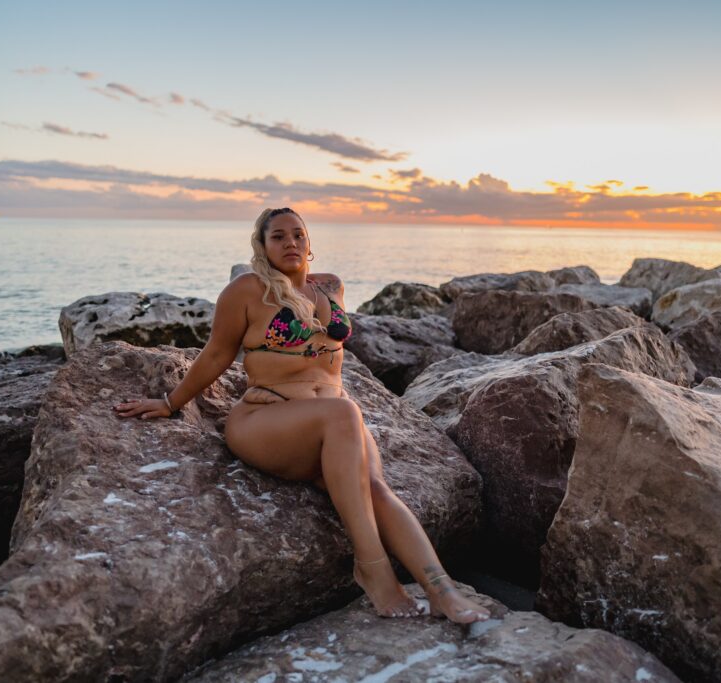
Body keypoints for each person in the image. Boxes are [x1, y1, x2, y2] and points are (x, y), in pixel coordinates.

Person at [113, 207, 490, 623]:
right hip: (267, 421)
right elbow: (217, 354)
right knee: (345, 412)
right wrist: (170, 403)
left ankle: (443, 591)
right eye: (278, 236)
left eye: (298, 235)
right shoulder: (246, 290)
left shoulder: (330, 286)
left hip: (332, 428)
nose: (290, 242)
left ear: (309, 244)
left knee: (376, 489)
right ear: (262, 246)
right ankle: (373, 570)